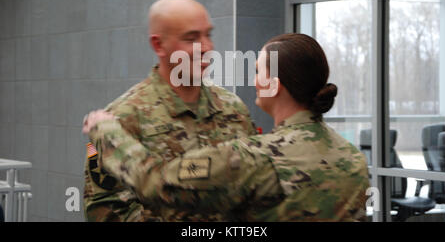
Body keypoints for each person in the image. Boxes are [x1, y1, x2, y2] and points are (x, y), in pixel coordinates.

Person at [84, 33, 370, 221]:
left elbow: (157, 181)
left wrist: (107, 131)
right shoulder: (353, 158)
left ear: (274, 86)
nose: (254, 78)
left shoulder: (252, 157)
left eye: (258, 71)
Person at [82, 0, 257, 222]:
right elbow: (103, 208)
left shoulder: (233, 108)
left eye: (208, 35)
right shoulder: (119, 118)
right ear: (158, 45)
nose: (207, 47)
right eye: (191, 38)